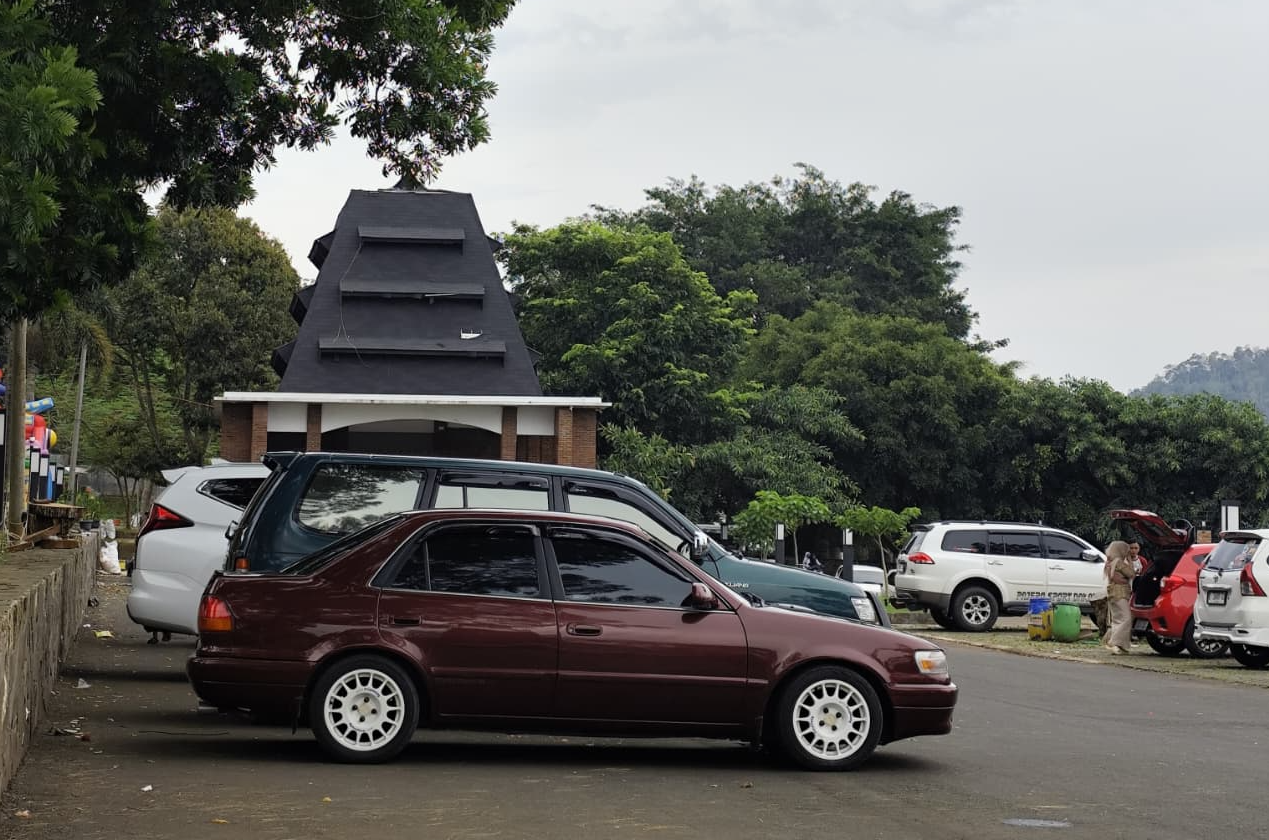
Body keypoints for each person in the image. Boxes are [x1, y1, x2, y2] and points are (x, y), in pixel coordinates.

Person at [1102, 540, 1136, 654]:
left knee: (1117, 619)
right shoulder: (1119, 562)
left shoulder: (1109, 562)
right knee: (1126, 618)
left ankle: (1120, 645)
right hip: (1120, 592)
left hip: (1112, 592)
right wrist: (1130, 560)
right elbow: (1131, 574)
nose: (1128, 552)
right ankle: (1114, 642)